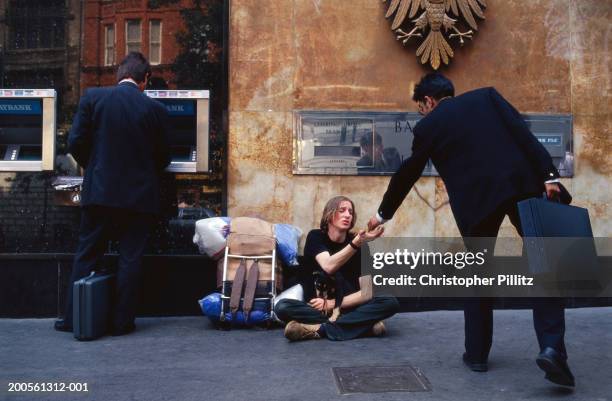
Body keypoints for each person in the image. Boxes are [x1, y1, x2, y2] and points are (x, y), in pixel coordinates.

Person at [367, 73, 574, 387]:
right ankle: (551, 348)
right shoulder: (487, 96)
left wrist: (383, 214)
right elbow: (523, 134)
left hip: (477, 206)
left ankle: (476, 355)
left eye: (421, 108)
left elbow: (407, 173)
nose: (422, 114)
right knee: (543, 264)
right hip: (521, 187)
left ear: (428, 101)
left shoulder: (428, 126)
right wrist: (549, 175)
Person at [54, 52, 170, 336]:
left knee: (87, 254)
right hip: (139, 198)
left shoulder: (93, 98)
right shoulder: (156, 110)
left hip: (100, 192)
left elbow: (75, 143)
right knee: (130, 259)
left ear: (119, 76)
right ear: (145, 80)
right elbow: (163, 157)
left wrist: (94, 166)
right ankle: (122, 323)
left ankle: (73, 318)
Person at [275, 196, 400, 341]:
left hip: (348, 307)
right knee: (282, 307)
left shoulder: (360, 245)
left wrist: (333, 304)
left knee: (389, 301)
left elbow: (366, 292)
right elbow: (328, 266)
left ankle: (320, 329)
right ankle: (363, 325)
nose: (348, 215)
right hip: (317, 309)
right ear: (329, 215)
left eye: (350, 212)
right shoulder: (315, 237)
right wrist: (356, 244)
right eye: (342, 210)